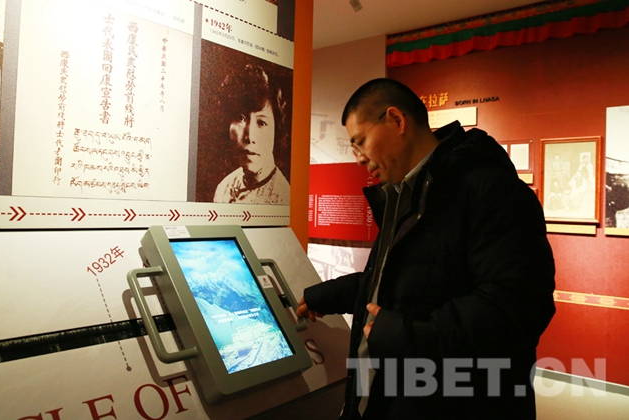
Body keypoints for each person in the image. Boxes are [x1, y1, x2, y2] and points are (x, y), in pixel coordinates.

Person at [296, 78, 556, 419]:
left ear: (396, 120)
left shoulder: (489, 189)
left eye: (359, 142)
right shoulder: (406, 194)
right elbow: (406, 280)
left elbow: (518, 306)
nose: (359, 158)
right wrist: (327, 296)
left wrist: (407, 336)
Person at [213, 63, 290, 204]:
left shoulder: (283, 197)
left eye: (261, 123)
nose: (249, 137)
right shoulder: (223, 188)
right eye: (240, 118)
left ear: (276, 130)